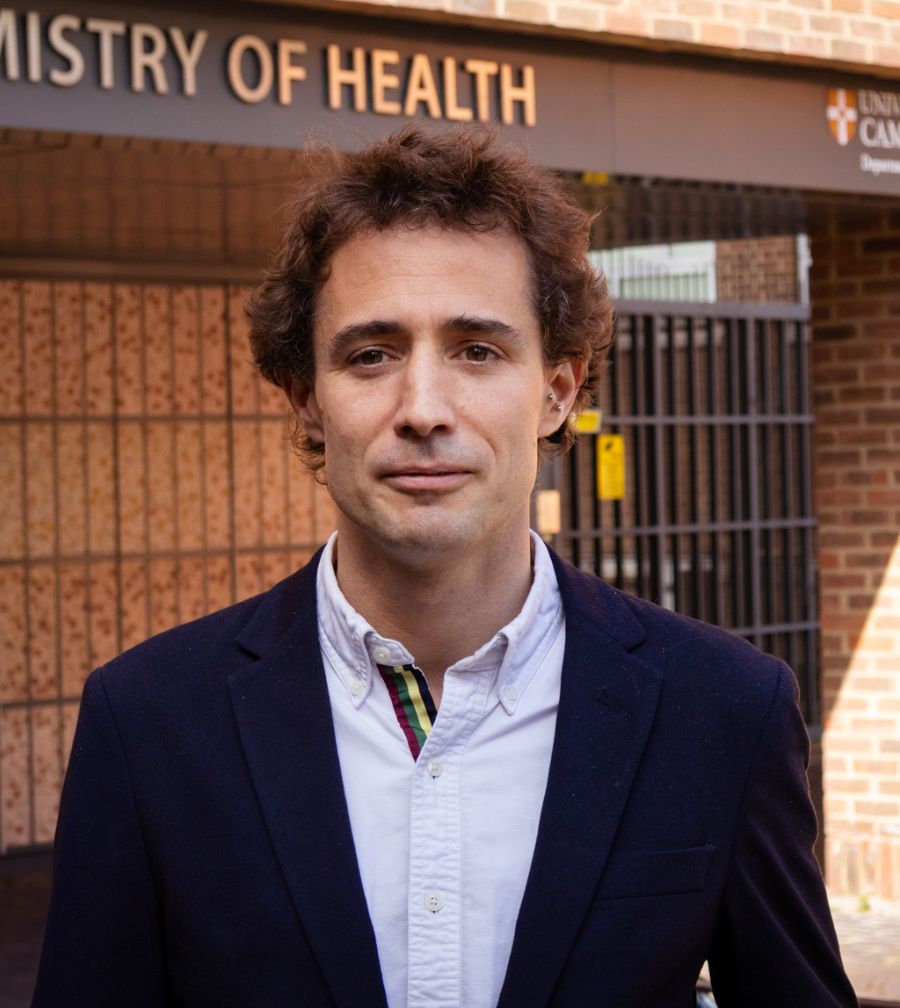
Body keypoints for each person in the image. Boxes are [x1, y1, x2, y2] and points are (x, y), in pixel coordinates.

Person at [34, 126, 856, 1008]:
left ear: (557, 391)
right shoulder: (148, 722)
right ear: (307, 399)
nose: (423, 408)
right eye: (371, 355)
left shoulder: (724, 711)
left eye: (477, 350)